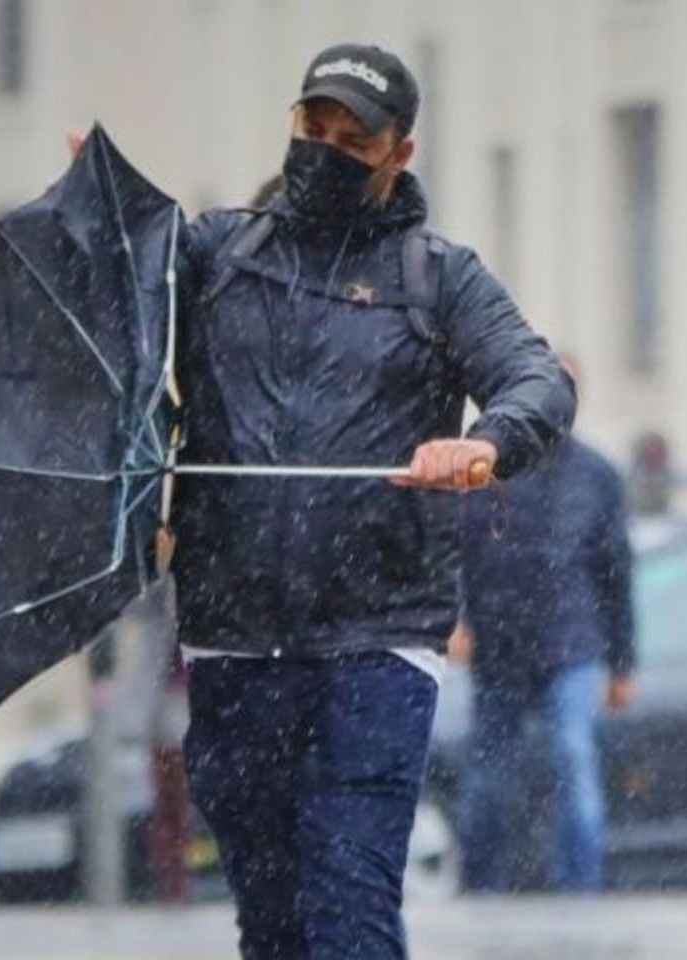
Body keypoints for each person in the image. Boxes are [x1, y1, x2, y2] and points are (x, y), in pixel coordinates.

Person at [71, 43, 574, 957]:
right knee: (271, 921)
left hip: (375, 643)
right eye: (316, 126)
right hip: (233, 641)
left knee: (350, 911)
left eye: (355, 137)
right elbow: (115, 338)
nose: (328, 147)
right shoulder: (215, 252)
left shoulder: (439, 277)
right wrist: (93, 231)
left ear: (398, 154)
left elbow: (537, 383)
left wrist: (485, 442)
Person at [450, 357, 635, 894]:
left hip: (571, 644)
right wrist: (454, 618)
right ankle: (480, 886)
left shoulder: (597, 476)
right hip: (498, 645)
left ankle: (579, 889)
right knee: (488, 780)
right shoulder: (487, 469)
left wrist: (622, 663)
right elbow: (452, 551)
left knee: (573, 760)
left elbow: (616, 573)